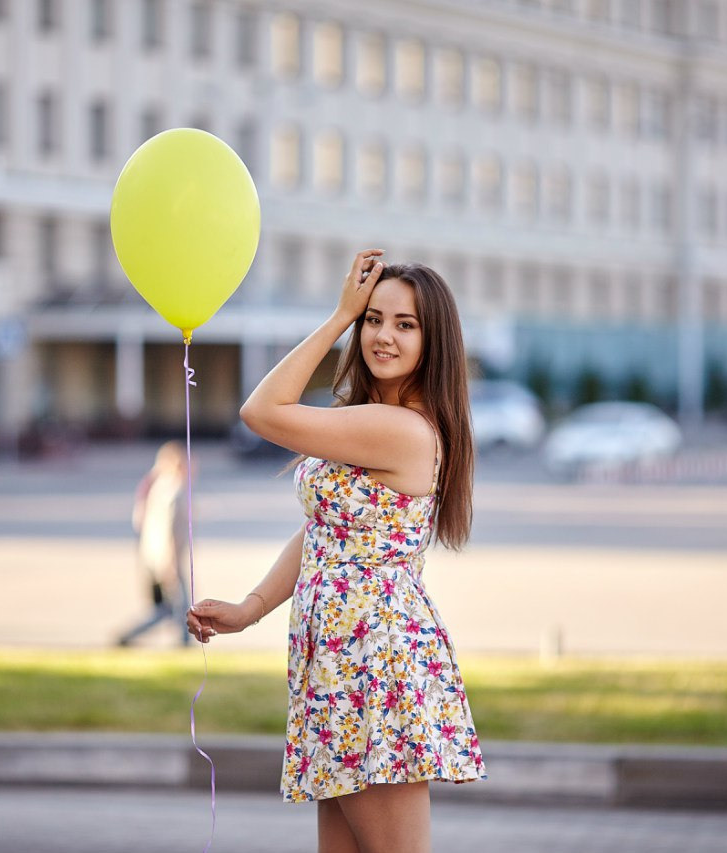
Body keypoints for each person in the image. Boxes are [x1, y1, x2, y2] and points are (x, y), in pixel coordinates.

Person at [187, 249, 486, 853]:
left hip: (374, 661)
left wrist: (339, 315)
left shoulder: (402, 429)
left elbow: (260, 411)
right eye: (373, 319)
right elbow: (326, 530)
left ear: (434, 341)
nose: (382, 335)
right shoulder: (373, 417)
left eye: (405, 324)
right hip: (337, 661)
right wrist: (251, 607)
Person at [116, 441, 191, 647]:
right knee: (182, 609)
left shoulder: (156, 487)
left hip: (151, 557)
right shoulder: (174, 491)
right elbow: (169, 531)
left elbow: (139, 521)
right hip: (166, 560)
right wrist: (170, 563)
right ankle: (185, 645)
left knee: (166, 609)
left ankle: (129, 636)